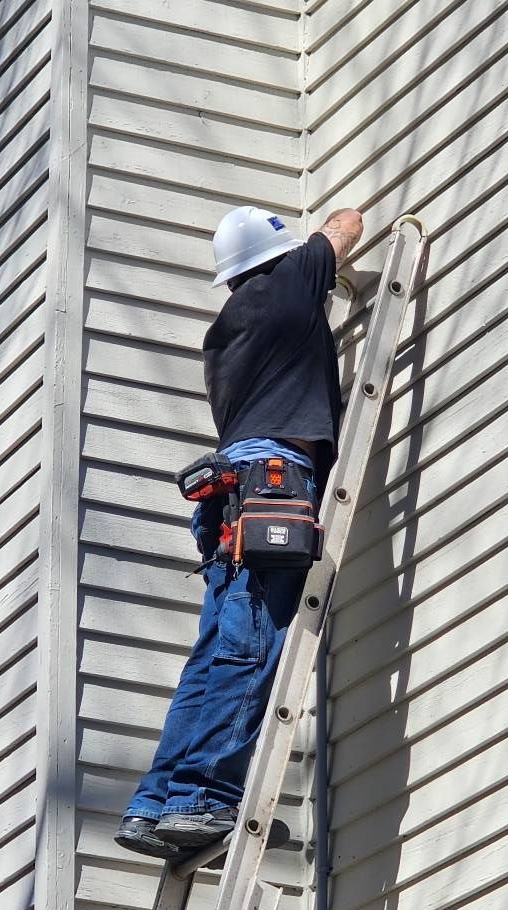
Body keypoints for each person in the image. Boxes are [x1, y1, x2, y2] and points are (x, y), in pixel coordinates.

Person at [115, 205, 364, 860]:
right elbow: (346, 224)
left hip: (230, 491)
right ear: (277, 259)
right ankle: (201, 800)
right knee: (250, 647)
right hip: (273, 484)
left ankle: (156, 802)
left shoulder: (228, 331)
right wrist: (329, 252)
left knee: (215, 652)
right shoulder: (288, 283)